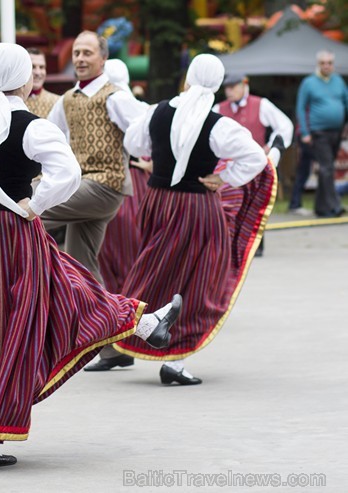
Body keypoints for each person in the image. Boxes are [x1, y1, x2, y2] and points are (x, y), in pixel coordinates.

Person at [0, 43, 181, 466]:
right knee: (55, 297)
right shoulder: (30, 125)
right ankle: (140, 323)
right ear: (22, 80)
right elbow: (66, 172)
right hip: (8, 232)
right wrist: (37, 203)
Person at [96, 54, 280, 385]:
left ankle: (140, 325)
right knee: (200, 277)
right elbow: (255, 157)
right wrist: (225, 179)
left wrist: (160, 158)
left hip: (155, 200)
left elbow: (133, 143)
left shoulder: (157, 111)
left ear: (188, 79)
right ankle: (176, 359)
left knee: (154, 266)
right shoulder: (219, 124)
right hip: (197, 206)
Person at [44, 31, 148, 282]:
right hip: (83, 187)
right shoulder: (68, 99)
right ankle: (109, 320)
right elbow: (47, 136)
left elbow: (146, 127)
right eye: (76, 53)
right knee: (82, 267)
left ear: (103, 59)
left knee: (28, 205)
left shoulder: (116, 97)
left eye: (87, 53)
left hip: (105, 187)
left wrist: (154, 157)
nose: (80, 58)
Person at [85, 59, 150, 371]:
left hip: (120, 190)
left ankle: (128, 338)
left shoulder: (119, 104)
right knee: (113, 265)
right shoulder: (130, 105)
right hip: (130, 188)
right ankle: (117, 344)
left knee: (115, 265)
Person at [213, 72, 293, 257]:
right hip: (227, 167)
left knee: (254, 205)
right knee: (228, 207)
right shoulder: (219, 108)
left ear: (244, 85)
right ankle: (230, 246)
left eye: (233, 86)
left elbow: (285, 126)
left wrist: (271, 147)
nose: (229, 91)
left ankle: (255, 246)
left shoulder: (260, 104)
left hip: (254, 165)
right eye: (227, 87)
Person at [296, 50, 348, 218]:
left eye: (329, 63)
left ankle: (321, 207)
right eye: (323, 63)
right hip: (318, 132)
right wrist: (305, 131)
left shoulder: (338, 81)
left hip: (337, 131)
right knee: (327, 168)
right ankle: (334, 206)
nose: (326, 66)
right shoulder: (309, 82)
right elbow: (301, 107)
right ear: (318, 64)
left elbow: (346, 103)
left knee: (327, 168)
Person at [25, 48, 60, 118]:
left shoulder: (57, 102)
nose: (38, 72)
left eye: (41, 67)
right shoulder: (13, 101)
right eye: (33, 67)